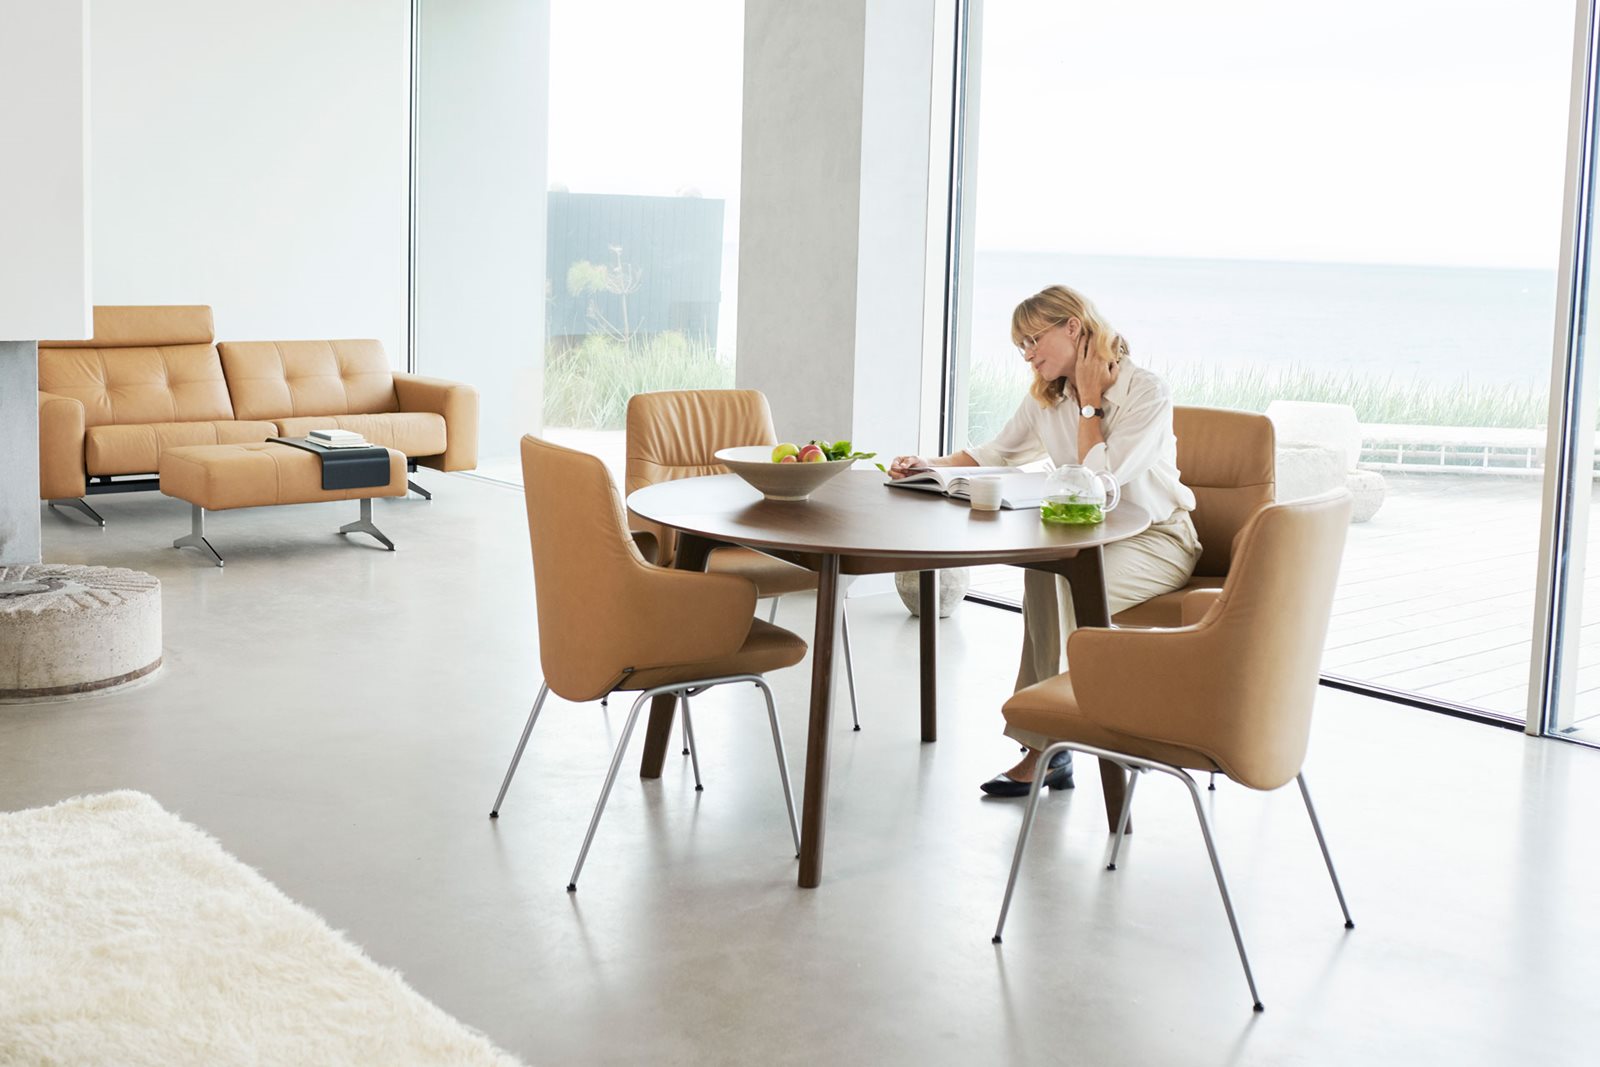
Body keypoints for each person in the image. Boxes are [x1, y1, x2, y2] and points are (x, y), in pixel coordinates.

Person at [890, 285, 1200, 796]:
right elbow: (997, 452)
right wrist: (928, 464)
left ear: (1073, 327)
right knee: (1046, 569)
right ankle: (1055, 743)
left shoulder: (1146, 392)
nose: (1028, 355)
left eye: (1034, 340)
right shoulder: (1047, 394)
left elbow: (1102, 481)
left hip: (1157, 540)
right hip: (1089, 538)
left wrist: (1091, 404)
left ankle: (1078, 736)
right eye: (1022, 346)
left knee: (1066, 584)